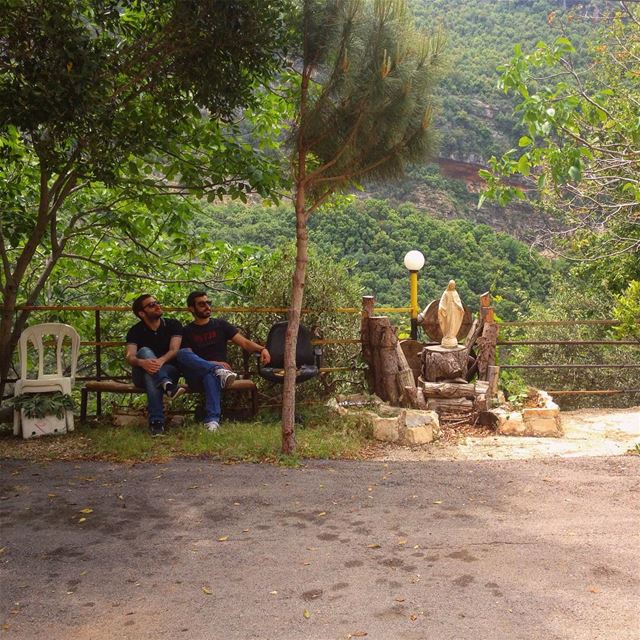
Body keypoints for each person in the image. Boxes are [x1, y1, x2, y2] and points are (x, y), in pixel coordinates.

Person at [176, 291, 271, 432]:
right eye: (202, 304)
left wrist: (262, 349)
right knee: (182, 353)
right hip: (197, 376)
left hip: (220, 377)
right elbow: (188, 357)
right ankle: (215, 368)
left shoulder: (220, 325)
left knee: (211, 376)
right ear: (191, 308)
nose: (207, 306)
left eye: (209, 303)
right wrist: (214, 364)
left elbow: (244, 343)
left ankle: (212, 421)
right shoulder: (186, 331)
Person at [125, 294, 185, 437]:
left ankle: (156, 423)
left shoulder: (173, 325)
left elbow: (174, 350)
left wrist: (158, 362)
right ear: (142, 313)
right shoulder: (135, 330)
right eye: (151, 305)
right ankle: (166, 384)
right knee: (144, 352)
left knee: (150, 374)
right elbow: (130, 356)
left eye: (157, 302)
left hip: (170, 370)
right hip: (141, 374)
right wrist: (142, 362)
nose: (157, 306)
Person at [438, 280, 465, 348]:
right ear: (449, 285)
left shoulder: (455, 293)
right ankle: (447, 335)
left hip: (455, 310)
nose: (452, 287)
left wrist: (461, 308)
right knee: (448, 322)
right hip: (448, 310)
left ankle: (452, 335)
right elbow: (442, 301)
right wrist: (441, 307)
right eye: (451, 285)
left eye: (453, 285)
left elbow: (458, 301)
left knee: (453, 323)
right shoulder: (445, 293)